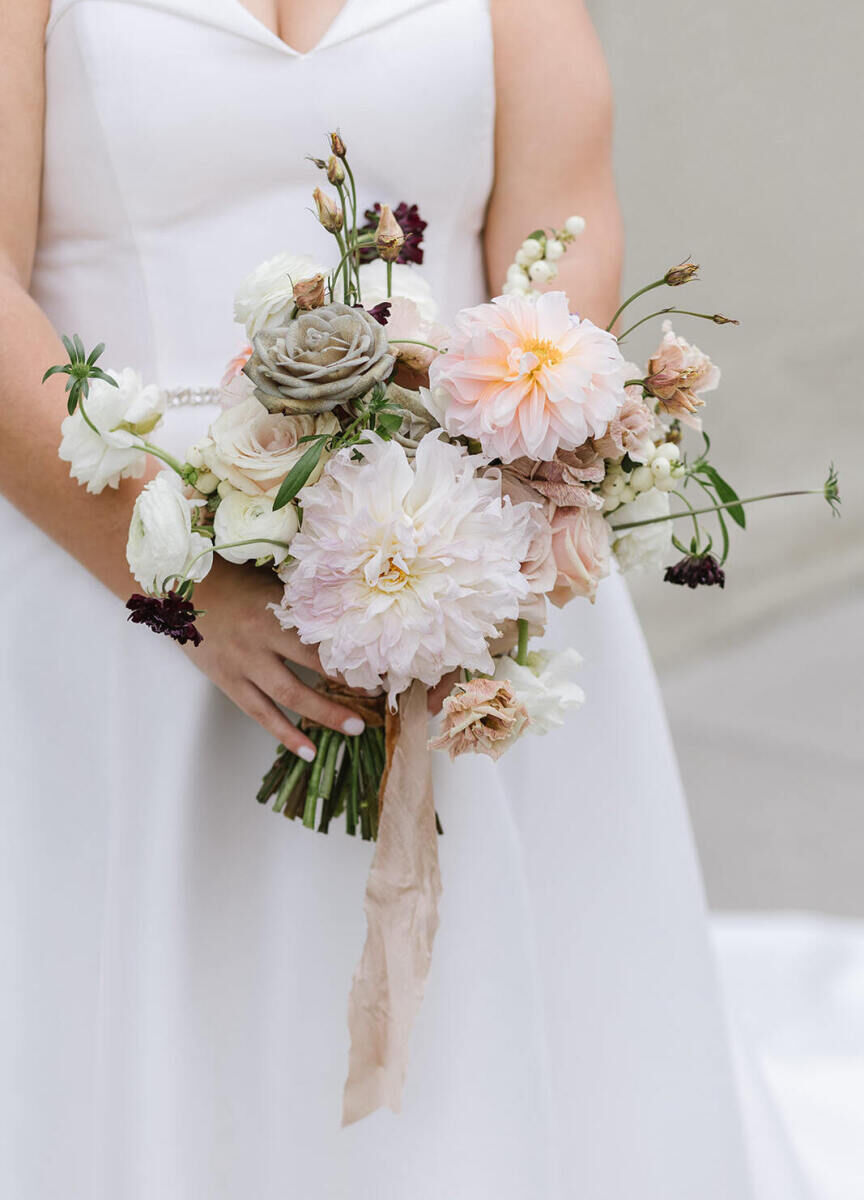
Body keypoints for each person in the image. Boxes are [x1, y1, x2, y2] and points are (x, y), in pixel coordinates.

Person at [0, 1, 812, 1196]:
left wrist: (476, 494)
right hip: (110, 584)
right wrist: (185, 586)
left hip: (461, 576)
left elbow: (560, 224)